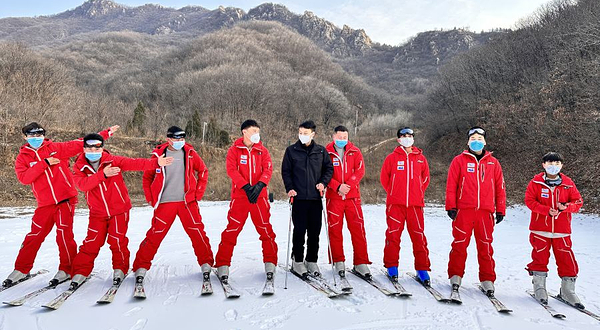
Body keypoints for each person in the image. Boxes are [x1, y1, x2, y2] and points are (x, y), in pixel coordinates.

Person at [3, 123, 118, 288]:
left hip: (65, 199)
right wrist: (45, 163)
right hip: (44, 204)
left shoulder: (57, 148)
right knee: (34, 236)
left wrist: (106, 133)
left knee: (64, 235)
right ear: (25, 137)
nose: (36, 138)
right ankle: (21, 269)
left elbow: (82, 143)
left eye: (39, 134)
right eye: (32, 135)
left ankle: (67, 269)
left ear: (44, 135)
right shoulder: (23, 157)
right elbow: (24, 178)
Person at [67, 133, 173, 289]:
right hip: (97, 212)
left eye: (97, 148)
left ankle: (120, 269)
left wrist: (157, 162)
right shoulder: (79, 166)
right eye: (89, 148)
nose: (93, 151)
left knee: (117, 241)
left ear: (102, 148)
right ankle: (80, 271)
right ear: (84, 149)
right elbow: (82, 185)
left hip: (119, 209)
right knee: (91, 242)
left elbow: (135, 163)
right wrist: (103, 174)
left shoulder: (113, 161)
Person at [132, 126, 214, 285]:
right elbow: (146, 178)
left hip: (186, 202)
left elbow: (203, 171)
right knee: (154, 235)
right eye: (176, 139)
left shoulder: (189, 153)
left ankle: (206, 263)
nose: (180, 142)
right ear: (168, 139)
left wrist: (198, 194)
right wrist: (150, 198)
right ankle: (141, 266)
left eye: (182, 139)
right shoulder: (158, 155)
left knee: (197, 233)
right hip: (165, 203)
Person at [445, 126, 505, 296]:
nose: (476, 142)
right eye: (473, 139)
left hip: (485, 212)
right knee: (459, 245)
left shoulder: (493, 163)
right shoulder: (459, 161)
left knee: (485, 247)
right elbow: (451, 186)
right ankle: (455, 276)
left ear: (485, 142)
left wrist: (500, 209)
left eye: (480, 139)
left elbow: (500, 187)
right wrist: (451, 206)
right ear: (468, 142)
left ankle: (487, 279)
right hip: (464, 210)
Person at [214, 120, 277, 281]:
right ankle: (222, 264)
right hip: (241, 197)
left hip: (259, 197)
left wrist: (260, 185)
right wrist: (246, 187)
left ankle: (270, 262)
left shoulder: (262, 150)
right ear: (244, 131)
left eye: (258, 130)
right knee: (232, 230)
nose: (257, 133)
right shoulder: (234, 150)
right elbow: (232, 170)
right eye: (254, 130)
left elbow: (268, 169)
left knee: (265, 230)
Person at [525, 152, 584, 309]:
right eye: (550, 163)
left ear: (562, 165)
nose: (554, 166)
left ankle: (568, 290)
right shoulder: (536, 183)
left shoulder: (568, 183)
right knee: (539, 258)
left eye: (557, 163)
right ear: (544, 165)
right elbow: (529, 201)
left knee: (567, 259)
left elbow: (578, 202)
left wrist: (566, 207)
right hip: (540, 229)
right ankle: (539, 287)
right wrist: (545, 210)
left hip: (562, 230)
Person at [281, 120, 333, 277]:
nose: (302, 136)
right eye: (300, 133)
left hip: (315, 198)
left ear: (313, 134)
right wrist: (290, 188)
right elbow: (286, 172)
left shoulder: (321, 151)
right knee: (299, 231)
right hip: (299, 198)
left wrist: (323, 183)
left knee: (314, 232)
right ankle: (297, 261)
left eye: (306, 133)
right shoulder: (291, 150)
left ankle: (311, 261)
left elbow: (329, 169)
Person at [380, 127, 431, 284]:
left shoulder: (421, 159)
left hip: (415, 205)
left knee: (418, 236)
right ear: (398, 140)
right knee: (393, 236)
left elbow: (425, 179)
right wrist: (395, 192)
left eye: (409, 136)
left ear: (413, 139)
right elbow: (384, 178)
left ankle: (422, 269)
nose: (407, 138)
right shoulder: (392, 158)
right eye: (404, 136)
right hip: (395, 205)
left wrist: (417, 192)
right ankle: (392, 266)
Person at [325, 125, 371, 279]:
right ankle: (338, 261)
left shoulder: (355, 151)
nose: (342, 140)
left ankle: (361, 263)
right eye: (339, 137)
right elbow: (322, 173)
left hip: (352, 198)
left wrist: (349, 185)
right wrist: (337, 186)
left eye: (345, 137)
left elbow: (360, 170)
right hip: (334, 198)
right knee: (335, 231)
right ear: (333, 137)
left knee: (358, 230)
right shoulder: (326, 152)